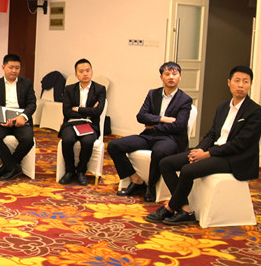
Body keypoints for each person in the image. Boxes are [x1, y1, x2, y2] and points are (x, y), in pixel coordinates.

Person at [147, 65, 261, 225]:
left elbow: (240, 144)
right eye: (237, 81)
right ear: (229, 83)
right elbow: (212, 134)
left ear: (250, 84)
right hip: (214, 151)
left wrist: (208, 154)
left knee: (187, 170)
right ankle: (185, 209)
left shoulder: (255, 111)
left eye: (245, 81)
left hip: (235, 158)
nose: (241, 85)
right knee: (166, 163)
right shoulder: (223, 107)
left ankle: (170, 207)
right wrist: (199, 149)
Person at [107, 62, 192, 202]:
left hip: (170, 138)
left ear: (180, 77)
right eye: (167, 74)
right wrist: (162, 119)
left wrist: (154, 126)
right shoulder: (153, 94)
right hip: (149, 136)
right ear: (161, 77)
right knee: (114, 145)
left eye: (174, 74)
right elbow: (141, 116)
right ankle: (136, 180)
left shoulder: (185, 100)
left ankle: (151, 186)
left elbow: (179, 125)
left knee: (159, 152)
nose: (171, 77)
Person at [0, 54, 37, 180]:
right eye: (11, 67)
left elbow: (32, 104)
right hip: (2, 119)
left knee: (28, 139)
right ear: (3, 67)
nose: (14, 71)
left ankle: (7, 167)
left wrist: (23, 117)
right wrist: (0, 119)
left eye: (17, 68)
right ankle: (13, 166)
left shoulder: (27, 83)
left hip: (21, 119)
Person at [58, 58, 107, 186]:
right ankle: (69, 171)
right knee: (67, 140)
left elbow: (98, 112)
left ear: (92, 72)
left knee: (88, 141)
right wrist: (89, 111)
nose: (85, 74)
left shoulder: (100, 89)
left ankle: (81, 171)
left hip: (89, 124)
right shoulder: (69, 89)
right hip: (71, 123)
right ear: (76, 74)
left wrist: (78, 109)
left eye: (87, 70)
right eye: (81, 71)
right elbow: (67, 112)